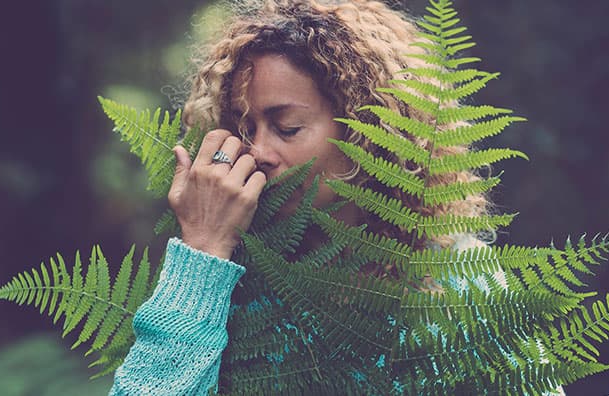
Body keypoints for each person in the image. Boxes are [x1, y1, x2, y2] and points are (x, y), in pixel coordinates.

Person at [108, 0, 509, 394]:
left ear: (367, 133)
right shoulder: (230, 277)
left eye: (287, 127)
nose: (257, 152)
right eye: (245, 129)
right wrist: (203, 251)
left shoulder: (453, 274)